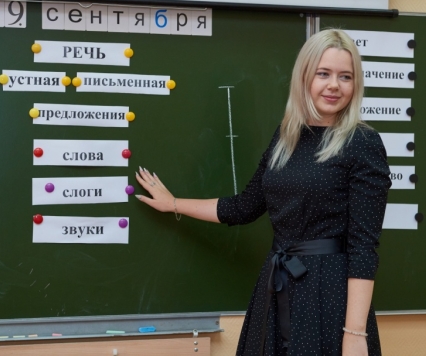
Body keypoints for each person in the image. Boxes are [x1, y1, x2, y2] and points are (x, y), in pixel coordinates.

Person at [135, 29, 391, 356]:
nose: (334, 85)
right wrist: (173, 203)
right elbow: (245, 207)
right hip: (277, 286)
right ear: (304, 77)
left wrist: (354, 334)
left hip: (329, 296)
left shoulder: (363, 144)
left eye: (346, 77)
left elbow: (363, 248)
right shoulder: (286, 137)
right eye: (323, 73)